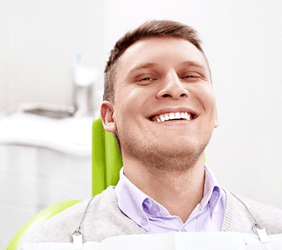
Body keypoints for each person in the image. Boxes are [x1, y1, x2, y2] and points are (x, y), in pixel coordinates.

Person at [17, 20, 282, 249]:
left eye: (190, 75)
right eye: (146, 78)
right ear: (110, 117)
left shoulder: (276, 231)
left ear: (213, 112)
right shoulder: (49, 241)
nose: (175, 88)